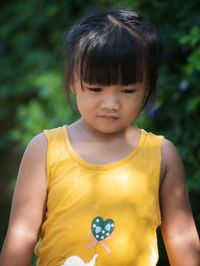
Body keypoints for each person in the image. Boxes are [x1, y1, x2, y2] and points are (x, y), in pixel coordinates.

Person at [0, 9, 199, 266]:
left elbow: (182, 237)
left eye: (127, 90)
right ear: (73, 81)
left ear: (147, 88)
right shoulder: (46, 149)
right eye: (95, 88)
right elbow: (22, 232)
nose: (111, 103)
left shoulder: (161, 155)